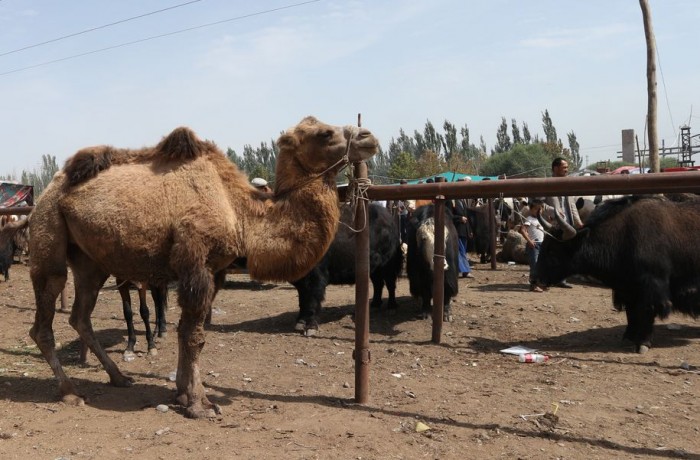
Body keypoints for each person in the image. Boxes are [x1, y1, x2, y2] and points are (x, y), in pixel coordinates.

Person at [544, 157, 582, 288]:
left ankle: (561, 278)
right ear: (555, 168)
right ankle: (547, 277)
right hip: (554, 225)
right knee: (552, 251)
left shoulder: (568, 183)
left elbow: (572, 206)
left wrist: (578, 222)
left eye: (567, 167)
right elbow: (539, 205)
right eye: (564, 167)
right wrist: (552, 212)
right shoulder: (546, 184)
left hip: (568, 224)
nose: (567, 170)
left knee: (566, 251)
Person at [447, 178, 474, 279]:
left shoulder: (462, 200)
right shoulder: (451, 201)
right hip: (456, 230)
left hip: (464, 230)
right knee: (460, 251)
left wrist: (469, 230)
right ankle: (465, 271)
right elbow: (448, 215)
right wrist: (459, 218)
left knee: (463, 251)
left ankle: (462, 270)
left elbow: (466, 216)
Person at [519, 199, 545, 292]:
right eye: (536, 209)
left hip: (541, 244)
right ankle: (533, 285)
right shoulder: (529, 219)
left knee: (540, 265)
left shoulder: (541, 220)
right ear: (531, 209)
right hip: (533, 245)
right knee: (534, 265)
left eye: (540, 209)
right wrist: (529, 241)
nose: (539, 211)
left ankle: (540, 283)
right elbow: (522, 230)